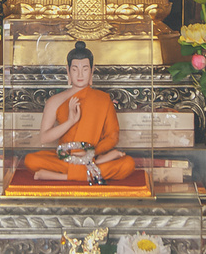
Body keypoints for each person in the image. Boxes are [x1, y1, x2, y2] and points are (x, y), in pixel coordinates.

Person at [24, 41, 135, 184]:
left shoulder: (103, 99)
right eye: (75, 69)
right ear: (68, 70)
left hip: (93, 157)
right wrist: (71, 121)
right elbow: (44, 138)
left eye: (85, 69)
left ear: (92, 70)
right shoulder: (55, 101)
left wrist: (92, 153)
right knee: (31, 160)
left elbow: (112, 136)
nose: (80, 74)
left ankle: (63, 176)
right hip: (65, 158)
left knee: (128, 164)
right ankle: (87, 174)